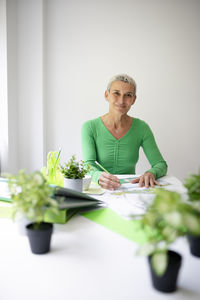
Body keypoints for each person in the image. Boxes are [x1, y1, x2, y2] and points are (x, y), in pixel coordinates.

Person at [81, 74, 167, 190]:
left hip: (129, 190)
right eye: (116, 93)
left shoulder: (142, 128)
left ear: (133, 100)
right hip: (99, 191)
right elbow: (87, 165)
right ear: (107, 95)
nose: (121, 101)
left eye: (128, 95)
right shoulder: (89, 127)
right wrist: (98, 176)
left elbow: (161, 164)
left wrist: (151, 173)